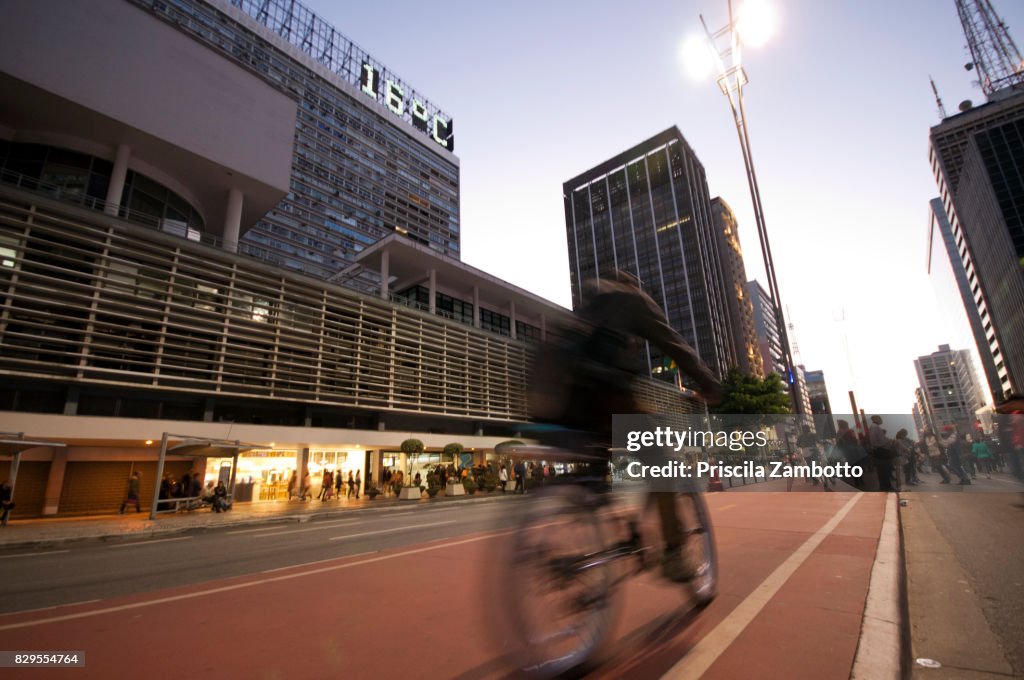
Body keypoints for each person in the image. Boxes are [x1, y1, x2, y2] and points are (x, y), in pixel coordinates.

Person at [528, 270, 723, 583]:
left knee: (599, 480)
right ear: (631, 282)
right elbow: (676, 346)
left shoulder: (586, 307)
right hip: (609, 397)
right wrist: (710, 386)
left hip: (566, 406)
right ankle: (674, 554)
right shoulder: (632, 298)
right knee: (662, 464)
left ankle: (607, 531)